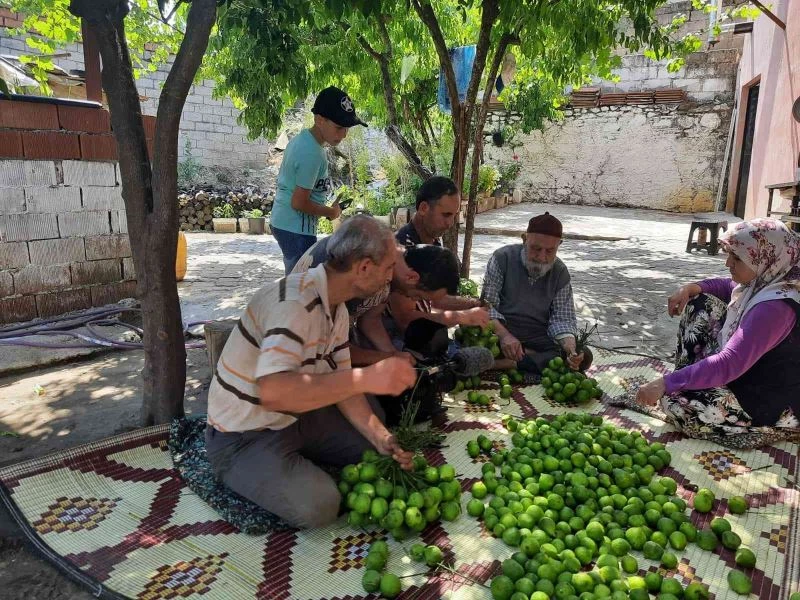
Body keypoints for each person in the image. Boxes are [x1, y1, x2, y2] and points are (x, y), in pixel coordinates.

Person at [205, 216, 416, 529]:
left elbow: (344, 382)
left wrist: (380, 436)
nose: (390, 278)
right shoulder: (294, 304)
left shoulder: (337, 306)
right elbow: (274, 393)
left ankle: (295, 460)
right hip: (244, 433)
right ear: (363, 268)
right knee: (320, 506)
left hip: (296, 417)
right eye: (388, 268)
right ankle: (239, 470)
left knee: (375, 447)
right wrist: (368, 376)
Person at [634, 218, 800, 444]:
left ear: (765, 257)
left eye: (737, 258)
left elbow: (730, 362)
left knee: (677, 403)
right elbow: (728, 286)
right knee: (700, 302)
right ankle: (693, 377)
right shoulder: (768, 279)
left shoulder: (774, 308)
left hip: (769, 396)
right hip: (748, 371)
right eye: (729, 254)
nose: (728, 263)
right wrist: (691, 287)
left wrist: (664, 383)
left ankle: (767, 425)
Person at [292, 232, 465, 366]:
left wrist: (392, 355)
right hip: (301, 347)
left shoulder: (390, 269)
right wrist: (386, 358)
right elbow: (335, 351)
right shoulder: (371, 271)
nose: (413, 300)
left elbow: (370, 319)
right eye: (419, 297)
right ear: (413, 278)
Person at [270, 86, 367, 274]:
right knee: (300, 287)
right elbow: (298, 202)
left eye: (346, 128)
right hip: (296, 228)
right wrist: (330, 212)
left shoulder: (302, 141)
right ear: (319, 120)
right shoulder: (313, 153)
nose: (344, 134)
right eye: (339, 127)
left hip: (283, 222)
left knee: (297, 281)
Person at [480, 212, 585, 375]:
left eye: (550, 251)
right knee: (472, 338)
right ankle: (528, 359)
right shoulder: (502, 258)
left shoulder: (560, 272)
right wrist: (504, 336)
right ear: (524, 239)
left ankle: (505, 364)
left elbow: (562, 319)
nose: (542, 257)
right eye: (536, 248)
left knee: (583, 356)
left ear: (559, 245)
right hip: (501, 332)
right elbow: (487, 306)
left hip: (537, 338)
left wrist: (570, 348)